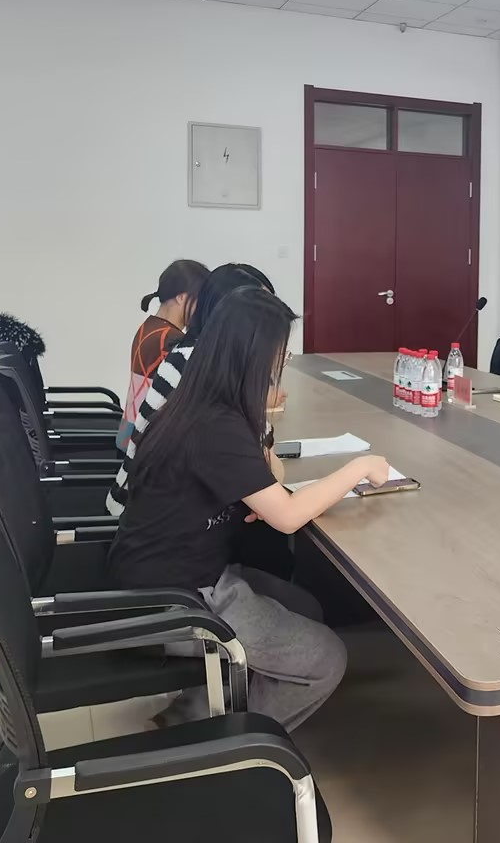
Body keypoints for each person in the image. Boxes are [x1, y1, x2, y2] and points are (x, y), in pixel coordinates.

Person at [108, 287, 387, 729]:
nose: (279, 367)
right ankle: (230, 742)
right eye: (279, 356)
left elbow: (268, 472)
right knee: (327, 657)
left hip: (165, 573)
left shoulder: (203, 402)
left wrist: (258, 487)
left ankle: (194, 709)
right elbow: (287, 516)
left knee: (305, 608)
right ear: (253, 356)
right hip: (175, 599)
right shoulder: (215, 424)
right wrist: (360, 467)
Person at [108, 263, 273, 515]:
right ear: (182, 297)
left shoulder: (150, 328)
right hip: (151, 466)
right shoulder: (174, 345)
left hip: (133, 440)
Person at [120, 259, 210, 450]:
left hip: (128, 436)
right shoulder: (170, 340)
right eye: (200, 301)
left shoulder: (148, 328)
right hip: (145, 446)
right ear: (182, 298)